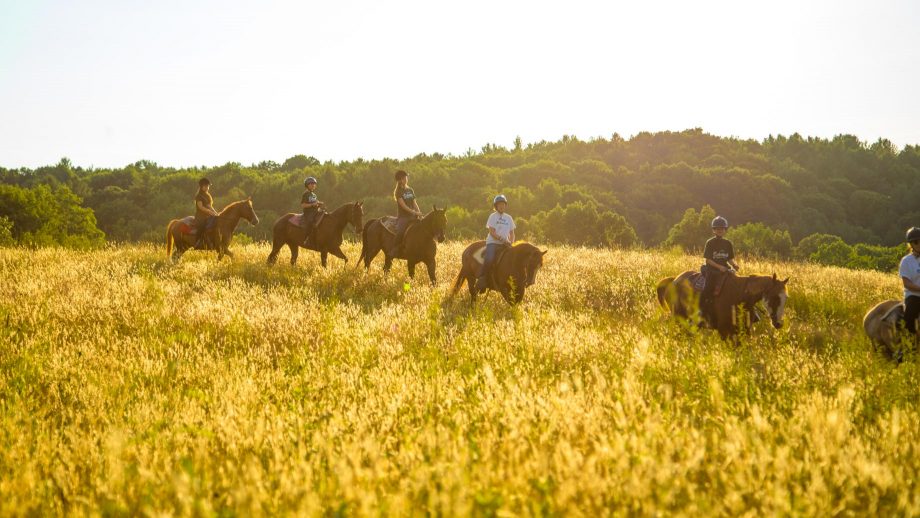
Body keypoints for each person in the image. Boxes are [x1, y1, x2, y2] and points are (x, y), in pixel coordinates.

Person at [700, 216, 739, 323]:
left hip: (725, 269)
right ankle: (701, 312)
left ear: (725, 230)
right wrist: (719, 267)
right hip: (712, 270)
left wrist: (734, 265)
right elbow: (708, 260)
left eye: (722, 229)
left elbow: (729, 258)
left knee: (737, 285)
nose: (720, 230)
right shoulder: (710, 243)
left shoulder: (728, 243)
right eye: (717, 229)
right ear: (714, 230)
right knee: (707, 288)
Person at [475, 194, 516, 293]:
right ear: (496, 206)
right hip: (493, 243)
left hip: (505, 244)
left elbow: (512, 233)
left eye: (503, 204)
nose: (501, 206)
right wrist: (502, 239)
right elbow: (492, 232)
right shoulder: (493, 216)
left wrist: (511, 242)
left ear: (505, 205)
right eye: (499, 204)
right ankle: (483, 279)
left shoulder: (509, 218)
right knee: (489, 259)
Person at [389, 170, 423, 257]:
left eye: (406, 177)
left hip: (413, 216)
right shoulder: (398, 192)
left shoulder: (410, 190)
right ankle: (394, 249)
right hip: (403, 217)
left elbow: (414, 203)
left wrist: (419, 213)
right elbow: (403, 206)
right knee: (400, 232)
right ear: (400, 180)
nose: (406, 179)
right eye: (404, 178)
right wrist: (414, 212)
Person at [899, 227, 920, 338]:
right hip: (914, 296)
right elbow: (907, 283)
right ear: (911, 244)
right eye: (917, 242)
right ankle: (908, 345)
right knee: (910, 317)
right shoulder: (906, 261)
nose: (919, 244)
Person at [194, 178, 219, 248]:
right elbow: (201, 207)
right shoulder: (199, 196)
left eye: (208, 186)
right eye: (206, 186)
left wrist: (216, 213)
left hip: (208, 215)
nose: (207, 188)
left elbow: (209, 206)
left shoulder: (207, 196)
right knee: (202, 225)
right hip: (200, 216)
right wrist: (209, 212)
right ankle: (198, 242)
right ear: (201, 187)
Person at [301, 177, 324, 247]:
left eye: (314, 184)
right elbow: (303, 205)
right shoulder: (306, 194)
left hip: (315, 212)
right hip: (308, 213)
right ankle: (307, 239)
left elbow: (315, 204)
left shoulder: (314, 195)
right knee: (310, 222)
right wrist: (312, 204)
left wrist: (319, 204)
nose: (313, 185)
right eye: (311, 184)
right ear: (307, 185)